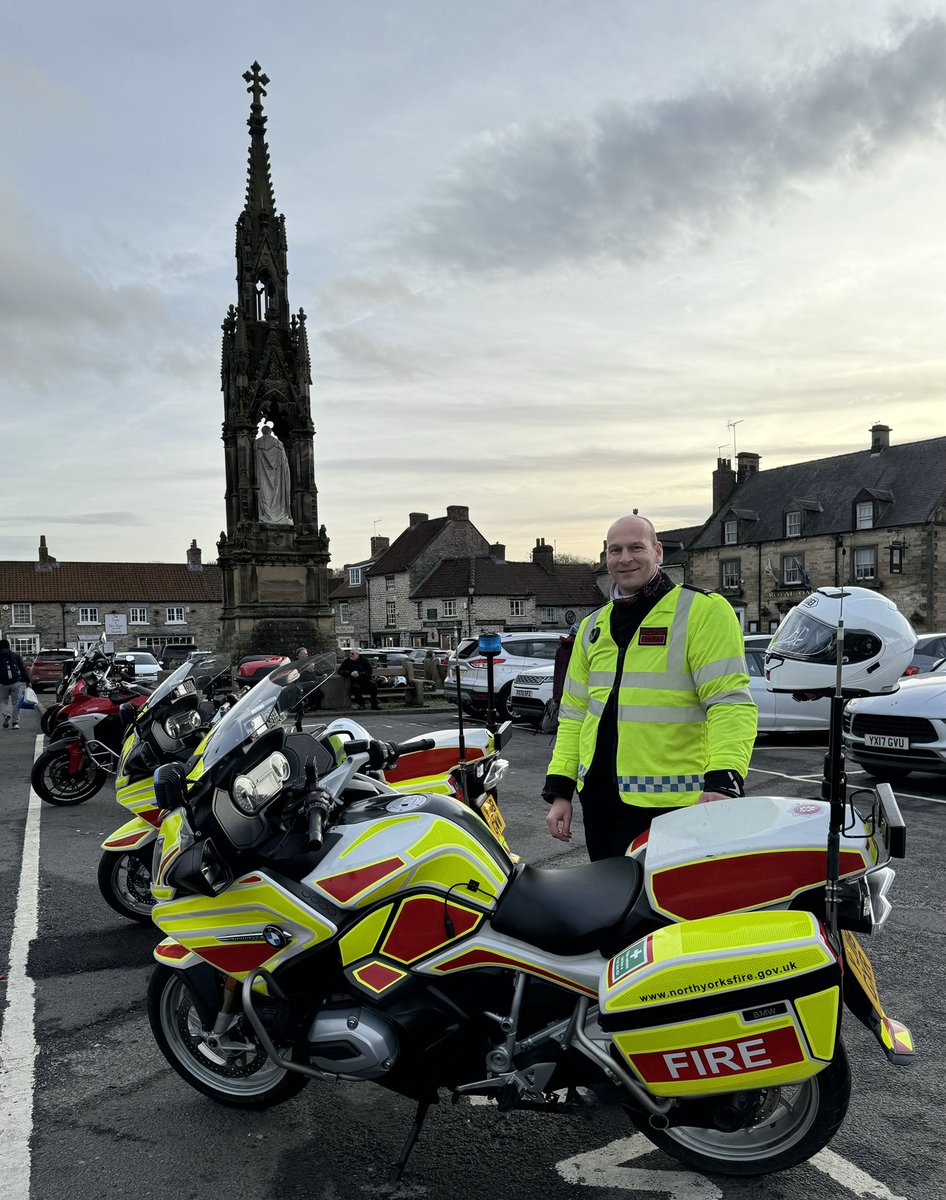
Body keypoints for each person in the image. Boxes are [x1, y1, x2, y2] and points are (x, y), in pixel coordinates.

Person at [543, 514, 757, 861]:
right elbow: (573, 716)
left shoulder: (702, 611)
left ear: (658, 552)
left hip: (674, 806)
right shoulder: (591, 627)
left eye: (635, 547)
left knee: (668, 911)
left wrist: (723, 781)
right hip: (600, 803)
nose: (624, 558)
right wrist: (561, 790)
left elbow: (729, 703)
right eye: (615, 550)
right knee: (609, 907)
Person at [255, 424, 293, 525]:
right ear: (270, 432)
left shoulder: (256, 444)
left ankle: (266, 514)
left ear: (262, 432)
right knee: (277, 494)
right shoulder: (278, 444)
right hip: (277, 477)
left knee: (264, 494)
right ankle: (278, 515)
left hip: (262, 476)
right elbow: (284, 464)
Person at [0, 638, 31, 730]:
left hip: (2, 683)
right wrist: (28, 681)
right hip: (16, 682)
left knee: (2, 701)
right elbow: (23, 669)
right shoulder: (15, 656)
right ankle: (15, 723)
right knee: (16, 703)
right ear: (9, 646)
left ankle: (6, 714)